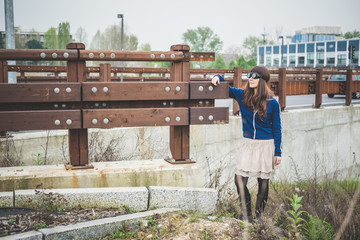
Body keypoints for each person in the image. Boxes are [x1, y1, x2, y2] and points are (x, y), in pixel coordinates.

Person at [211, 66, 282, 221]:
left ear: (262, 81)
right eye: (249, 75)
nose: (250, 78)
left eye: (255, 76)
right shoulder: (242, 95)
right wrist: (217, 76)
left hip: (266, 145)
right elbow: (227, 89)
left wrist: (278, 152)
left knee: (263, 182)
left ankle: (258, 216)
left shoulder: (272, 103)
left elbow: (277, 128)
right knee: (239, 179)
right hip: (248, 144)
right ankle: (247, 212)